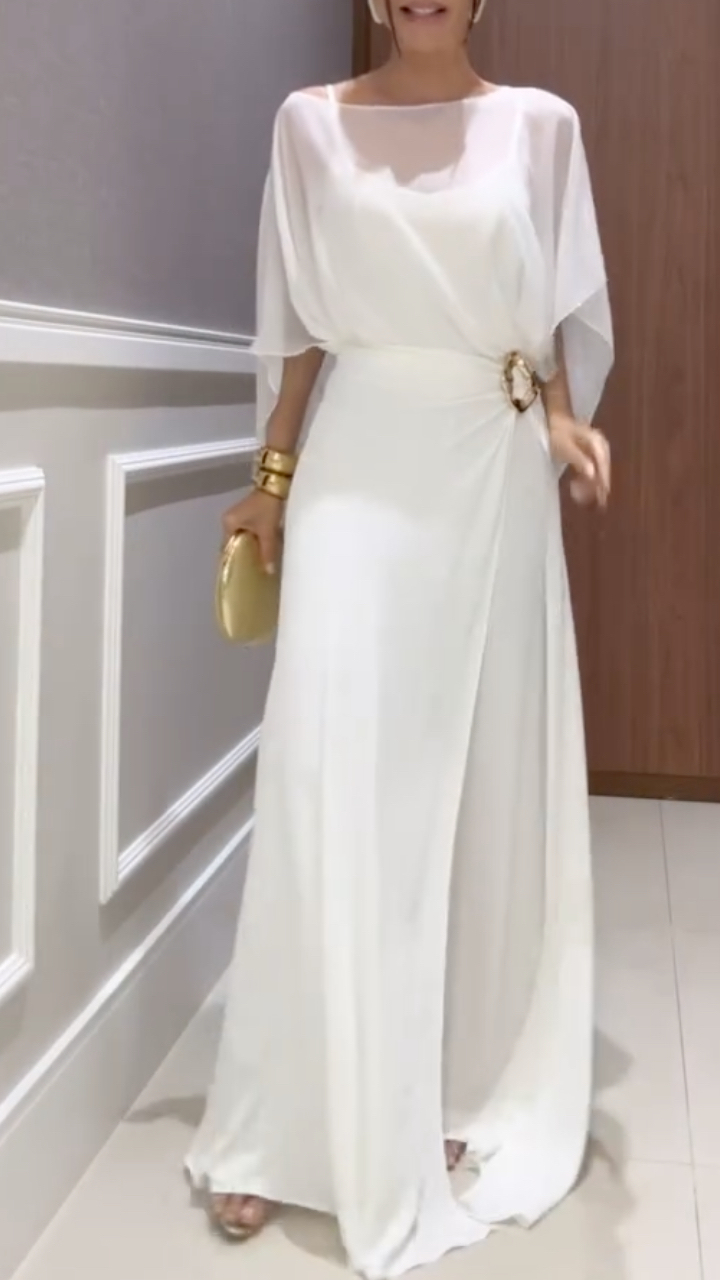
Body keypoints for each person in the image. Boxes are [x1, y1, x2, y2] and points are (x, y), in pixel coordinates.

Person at [186, 0, 613, 1275]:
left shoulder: (541, 126)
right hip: (361, 462)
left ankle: (455, 1078)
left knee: (479, 773)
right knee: (327, 768)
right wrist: (271, 478)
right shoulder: (308, 125)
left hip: (491, 467)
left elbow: (546, 319)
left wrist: (562, 422)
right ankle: (279, 1117)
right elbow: (299, 329)